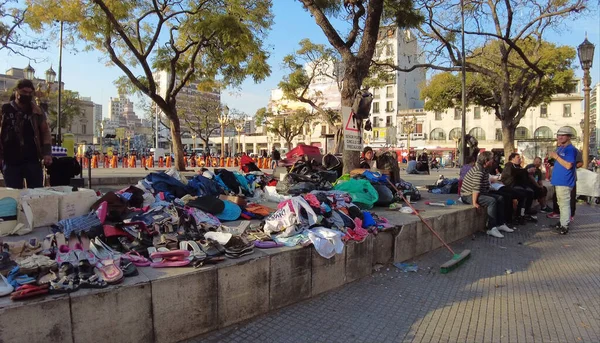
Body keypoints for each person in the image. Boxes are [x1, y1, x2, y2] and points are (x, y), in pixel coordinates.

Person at [0, 79, 53, 188]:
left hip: (32, 159)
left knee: (36, 194)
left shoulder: (37, 111)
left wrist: (47, 152)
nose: (27, 95)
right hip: (10, 160)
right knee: (14, 195)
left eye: (30, 93)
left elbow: (45, 132)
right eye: (24, 92)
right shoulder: (4, 109)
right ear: (16, 91)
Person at [459, 151, 515, 238]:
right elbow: (475, 188)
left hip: (479, 193)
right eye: (491, 159)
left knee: (500, 198)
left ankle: (500, 223)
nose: (493, 161)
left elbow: (484, 186)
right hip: (467, 195)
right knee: (491, 201)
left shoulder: (485, 169)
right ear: (486, 161)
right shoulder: (479, 171)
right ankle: (491, 228)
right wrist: (475, 203)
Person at [548, 127, 578, 235]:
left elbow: (568, 165)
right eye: (558, 135)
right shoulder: (561, 148)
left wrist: (556, 156)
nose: (560, 137)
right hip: (559, 180)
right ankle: (562, 222)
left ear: (569, 136)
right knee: (561, 203)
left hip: (564, 181)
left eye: (563, 135)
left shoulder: (570, 149)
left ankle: (564, 226)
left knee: (564, 204)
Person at [547, 147, 582, 222]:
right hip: (558, 179)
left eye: (562, 136)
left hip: (569, 178)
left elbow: (579, 163)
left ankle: (569, 217)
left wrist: (570, 165)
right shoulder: (558, 150)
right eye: (558, 137)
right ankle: (557, 213)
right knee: (556, 197)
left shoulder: (573, 150)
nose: (559, 139)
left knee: (570, 197)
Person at [501, 152, 536, 223]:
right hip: (511, 185)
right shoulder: (509, 165)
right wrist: (526, 170)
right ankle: (519, 214)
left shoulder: (518, 166)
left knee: (531, 192)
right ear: (512, 159)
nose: (519, 159)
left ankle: (525, 211)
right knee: (523, 193)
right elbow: (512, 174)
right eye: (518, 157)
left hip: (519, 185)